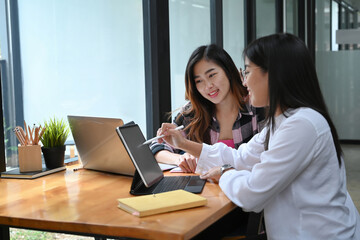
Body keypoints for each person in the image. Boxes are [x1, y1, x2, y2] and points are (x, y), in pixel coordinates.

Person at [158, 33, 360, 239]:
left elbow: (252, 193)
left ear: (273, 74)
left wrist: (225, 173)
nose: (244, 82)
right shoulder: (284, 121)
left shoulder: (301, 126)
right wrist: (183, 143)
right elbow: (240, 157)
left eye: (247, 71)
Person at [150, 44, 264, 172]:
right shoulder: (192, 112)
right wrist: (179, 159)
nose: (208, 86)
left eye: (212, 75)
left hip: (241, 188)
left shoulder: (256, 106)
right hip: (204, 189)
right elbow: (157, 148)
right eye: (199, 81)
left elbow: (264, 159)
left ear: (228, 71)